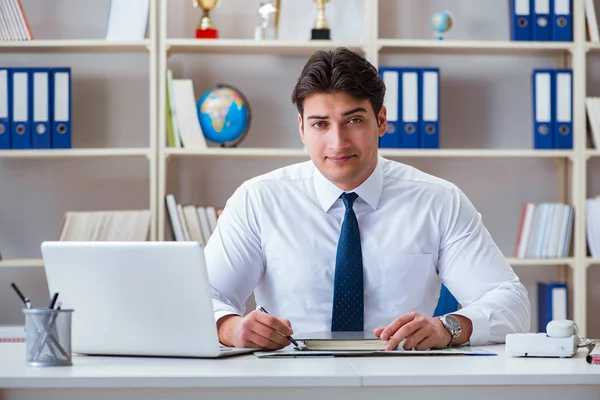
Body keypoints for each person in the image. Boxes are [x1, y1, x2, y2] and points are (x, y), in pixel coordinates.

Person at [204, 47, 530, 351]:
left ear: (381, 121)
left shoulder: (439, 202)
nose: (338, 142)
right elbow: (205, 297)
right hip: (291, 381)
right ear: (302, 129)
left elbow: (510, 301)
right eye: (320, 124)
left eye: (354, 121)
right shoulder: (259, 201)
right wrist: (232, 329)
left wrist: (449, 328)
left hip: (399, 379)